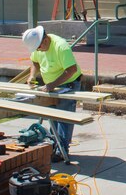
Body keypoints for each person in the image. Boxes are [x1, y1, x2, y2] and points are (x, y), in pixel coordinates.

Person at [22, 25, 82, 159]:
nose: (38, 50)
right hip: (51, 85)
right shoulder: (39, 46)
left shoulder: (60, 46)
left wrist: (52, 84)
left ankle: (62, 150)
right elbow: (35, 62)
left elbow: (71, 70)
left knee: (63, 117)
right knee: (53, 116)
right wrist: (32, 76)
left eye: (39, 47)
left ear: (45, 40)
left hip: (68, 84)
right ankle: (56, 145)